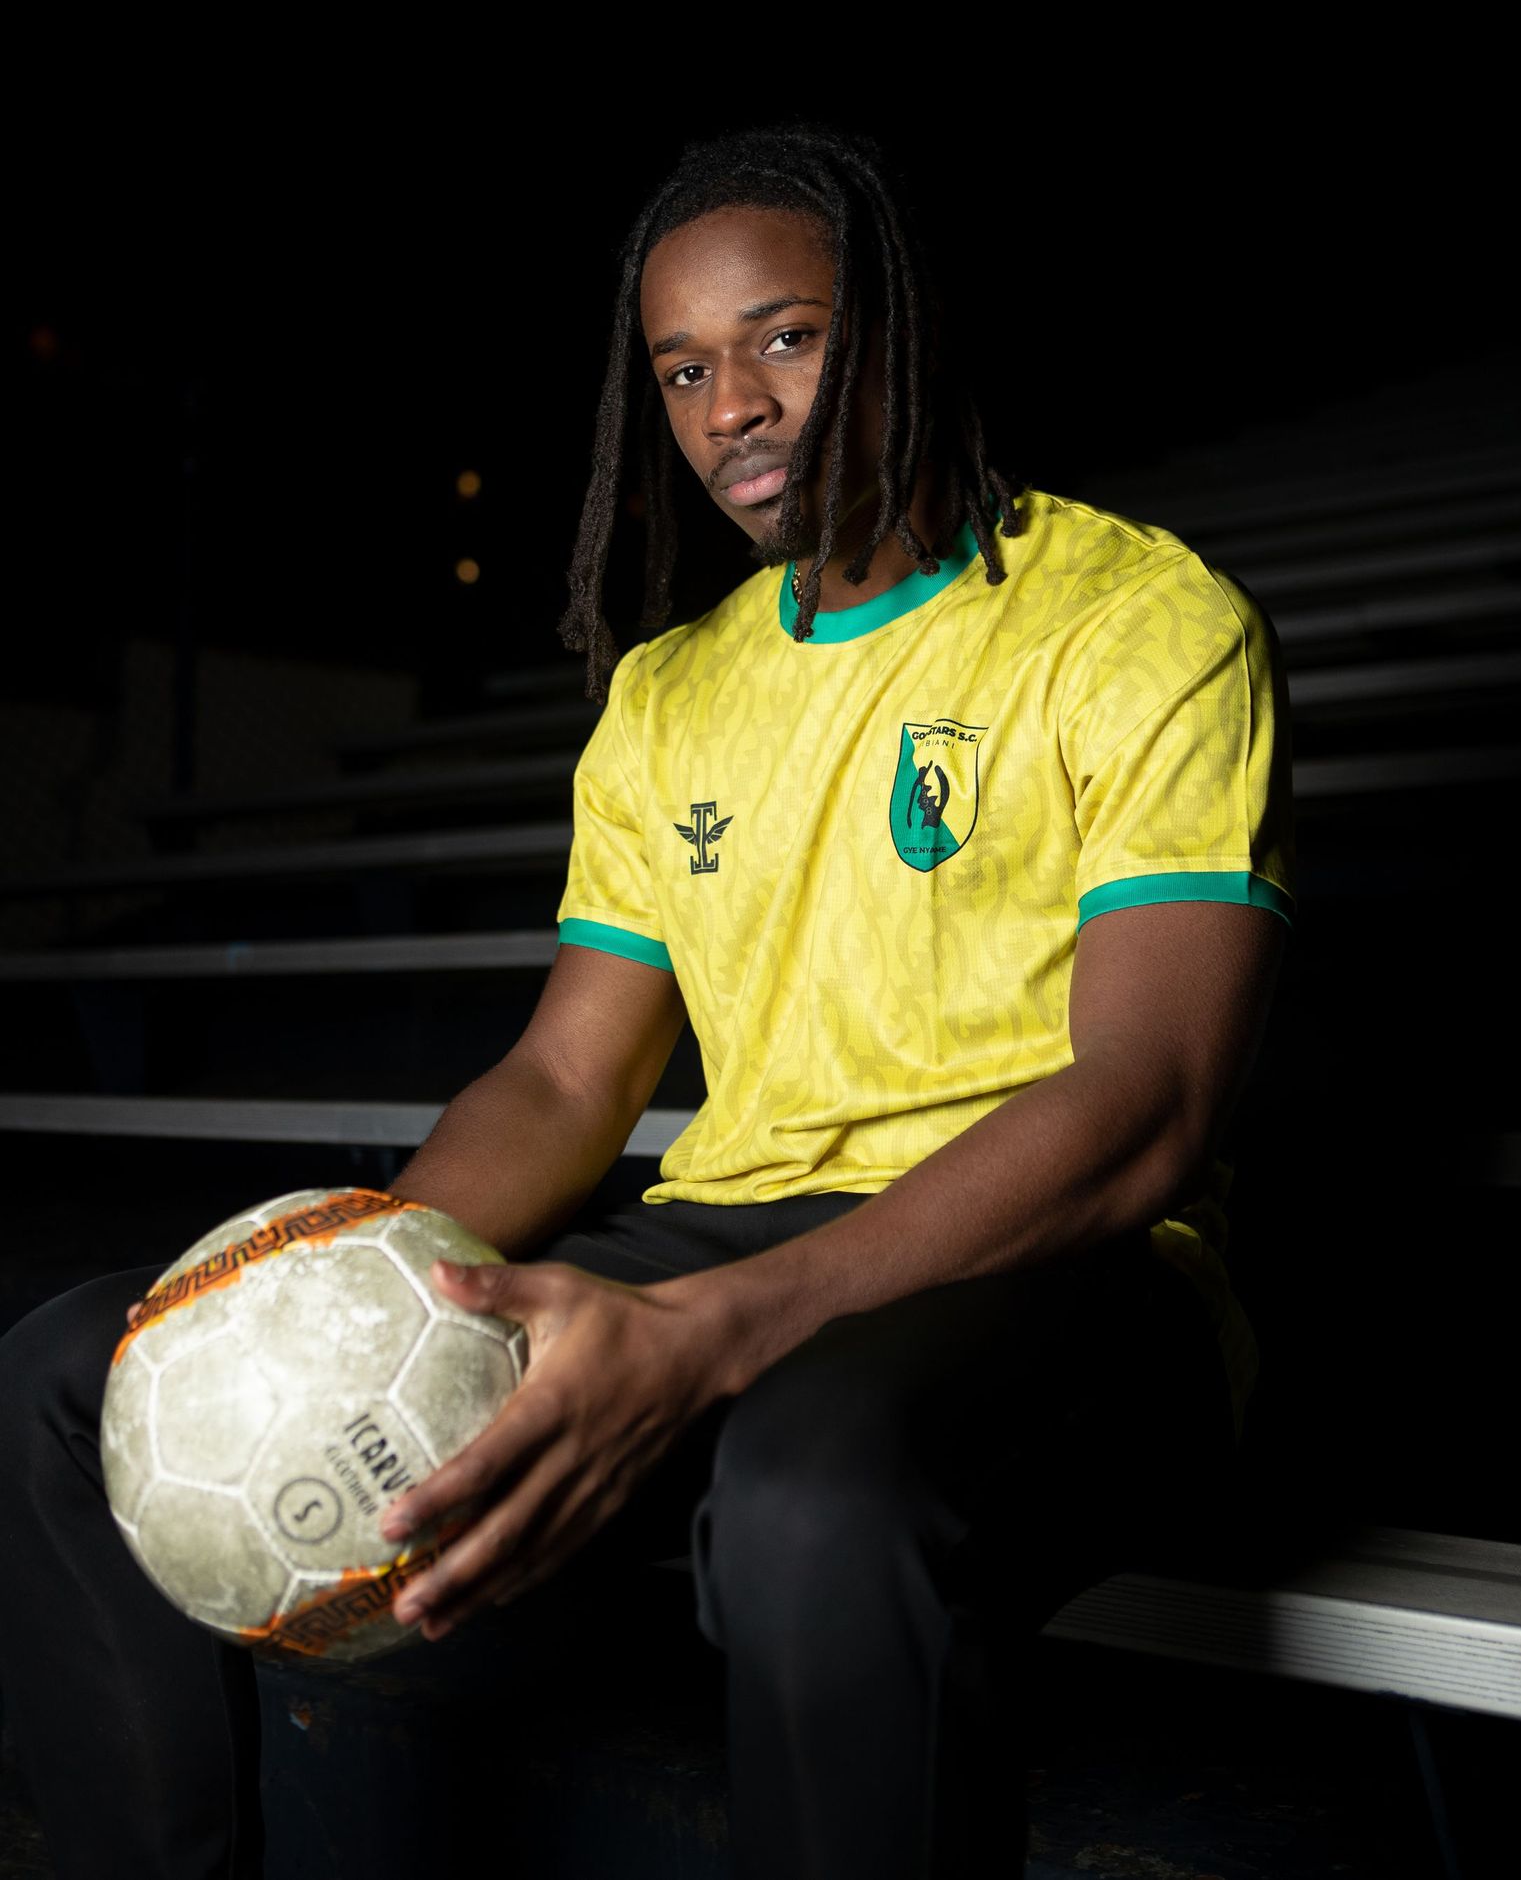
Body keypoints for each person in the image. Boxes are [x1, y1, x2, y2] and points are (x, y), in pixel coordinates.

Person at [0, 124, 1292, 1879]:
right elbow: (562, 1078)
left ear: (901, 325)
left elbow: (1148, 1100)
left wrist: (721, 1324)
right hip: (734, 1235)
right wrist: (359, 1286)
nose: (731, 407)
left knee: (814, 1486)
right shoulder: (671, 692)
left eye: (787, 338)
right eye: (683, 369)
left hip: (1063, 1262)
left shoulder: (1138, 618)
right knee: (75, 1376)